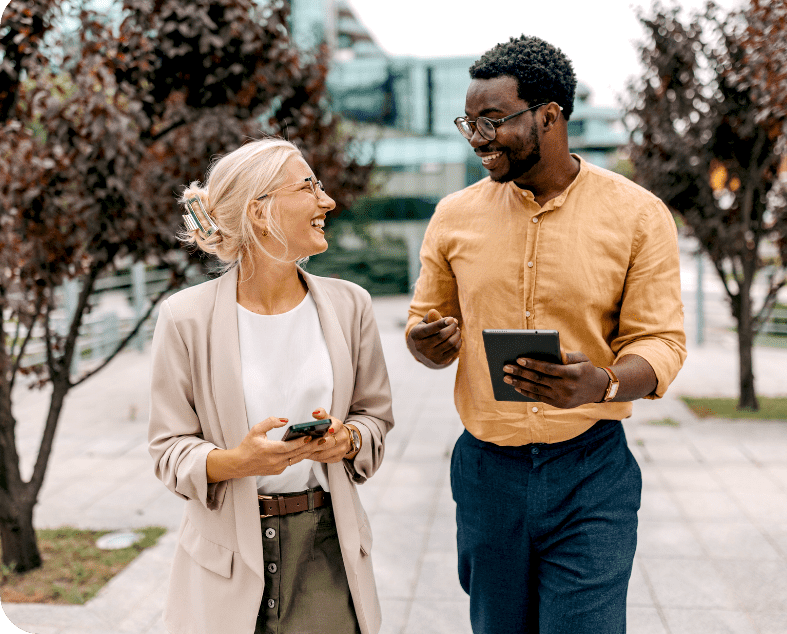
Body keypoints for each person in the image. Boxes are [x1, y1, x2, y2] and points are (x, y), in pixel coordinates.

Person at [405, 36, 687, 634]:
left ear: (549, 117)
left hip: (592, 474)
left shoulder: (638, 215)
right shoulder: (452, 216)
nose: (476, 137)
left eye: (493, 120)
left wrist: (603, 384)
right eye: (468, 122)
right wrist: (425, 343)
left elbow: (661, 341)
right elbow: (423, 322)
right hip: (487, 474)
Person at [148, 137, 393, 634]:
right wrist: (236, 462)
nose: (327, 201)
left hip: (328, 549)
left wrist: (349, 439)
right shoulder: (184, 318)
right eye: (308, 186)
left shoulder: (352, 306)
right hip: (225, 559)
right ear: (260, 212)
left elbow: (375, 420)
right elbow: (167, 450)